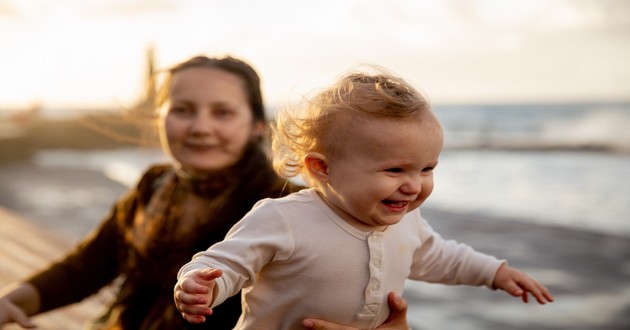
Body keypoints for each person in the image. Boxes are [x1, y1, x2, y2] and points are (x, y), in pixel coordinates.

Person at [0, 56, 410, 330]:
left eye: (222, 112)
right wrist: (13, 301)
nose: (200, 127)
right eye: (182, 110)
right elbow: (89, 266)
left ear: (255, 125)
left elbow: (356, 290)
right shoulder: (155, 185)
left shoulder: (292, 205)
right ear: (160, 119)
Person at [173, 67, 555, 329]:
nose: (413, 185)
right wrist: (201, 283)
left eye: (426, 169)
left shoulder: (407, 223)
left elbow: (441, 256)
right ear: (322, 168)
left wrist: (494, 273)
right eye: (395, 170)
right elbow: (228, 262)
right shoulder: (283, 219)